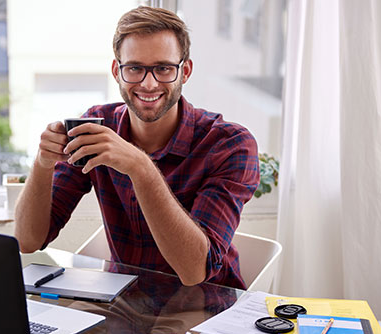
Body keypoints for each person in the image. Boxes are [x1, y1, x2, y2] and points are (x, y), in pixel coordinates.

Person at [15, 6, 259, 288]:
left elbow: (194, 272)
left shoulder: (229, 145)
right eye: (134, 68)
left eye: (164, 68)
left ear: (185, 71)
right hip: (123, 303)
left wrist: (140, 166)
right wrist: (43, 163)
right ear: (116, 71)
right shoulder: (98, 127)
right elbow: (27, 241)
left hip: (206, 310)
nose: (149, 83)